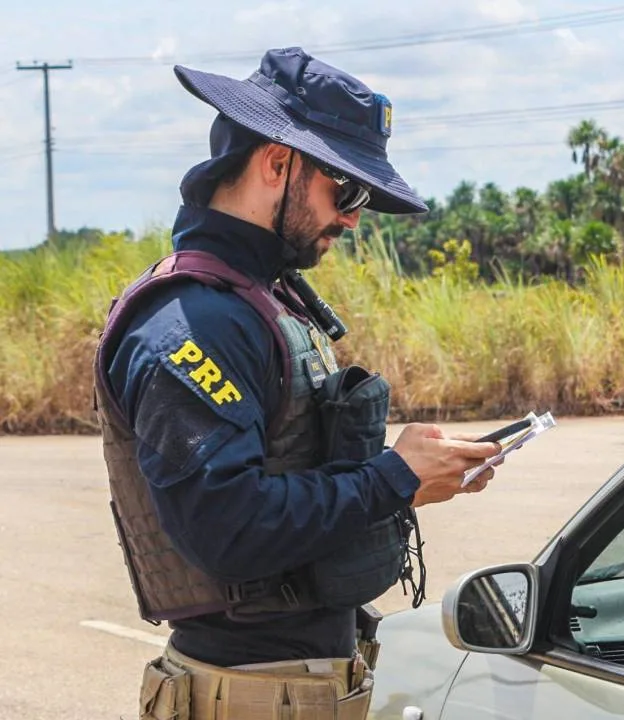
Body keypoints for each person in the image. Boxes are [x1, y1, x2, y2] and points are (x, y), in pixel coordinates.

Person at [91, 47, 503, 719]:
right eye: (345, 190)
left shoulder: (259, 299)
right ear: (276, 162)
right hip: (251, 695)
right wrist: (393, 478)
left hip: (299, 688)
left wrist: (416, 473)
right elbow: (227, 530)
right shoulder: (195, 323)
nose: (353, 217)